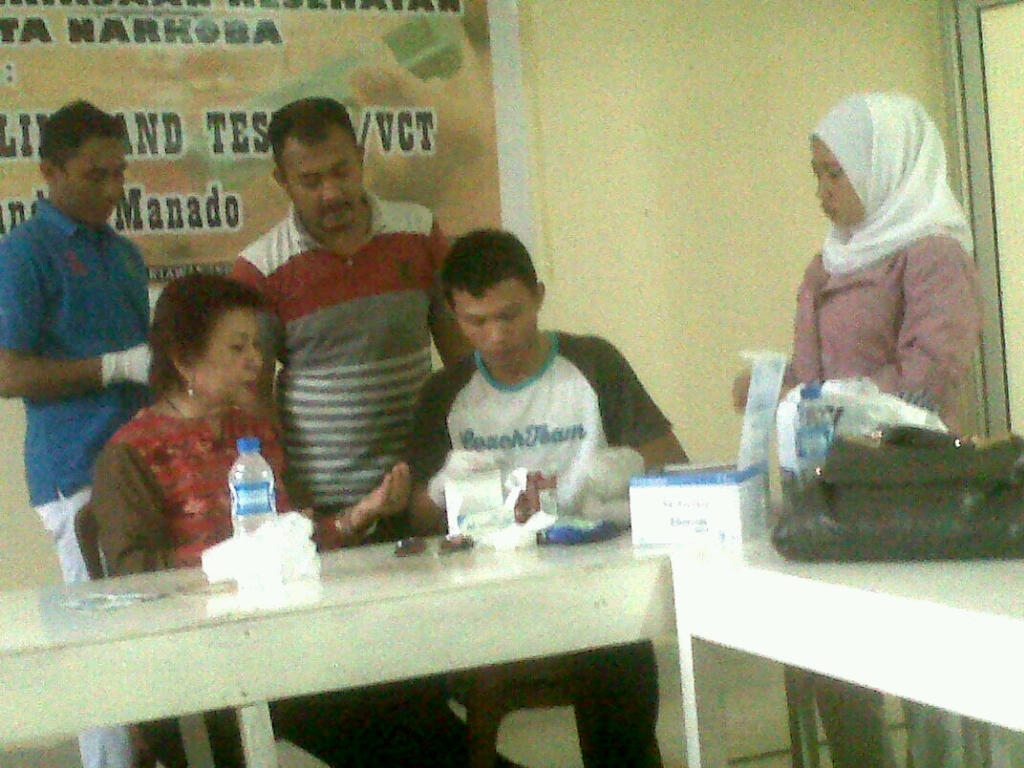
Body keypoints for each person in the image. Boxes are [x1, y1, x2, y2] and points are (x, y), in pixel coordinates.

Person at [89, 273, 504, 768]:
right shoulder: (130, 454)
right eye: (237, 347)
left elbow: (293, 534)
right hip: (208, 659)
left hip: (291, 634)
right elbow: (135, 575)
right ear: (183, 360)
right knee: (372, 706)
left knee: (404, 677)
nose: (256, 360)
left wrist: (361, 514)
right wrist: (239, 557)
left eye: (256, 345)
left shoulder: (253, 432)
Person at [738, 93, 983, 768]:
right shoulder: (829, 262)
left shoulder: (933, 255)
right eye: (816, 173)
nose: (821, 191)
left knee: (930, 670)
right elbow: (820, 374)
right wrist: (776, 386)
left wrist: (825, 403)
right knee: (836, 662)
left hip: (915, 490)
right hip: (833, 492)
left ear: (886, 168)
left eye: (835, 173)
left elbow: (929, 377)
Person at [406, 228, 688, 768]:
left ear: (538, 296)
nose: (496, 336)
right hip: (491, 592)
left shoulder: (593, 363)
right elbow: (417, 516)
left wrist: (624, 468)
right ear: (453, 315)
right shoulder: (445, 393)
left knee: (618, 645)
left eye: (510, 315)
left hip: (593, 580)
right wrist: (443, 488)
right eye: (476, 322)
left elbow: (671, 461)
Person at [230, 96, 467, 539]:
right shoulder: (259, 269)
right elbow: (253, 401)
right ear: (282, 180)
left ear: (360, 158)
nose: (332, 193)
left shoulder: (418, 232)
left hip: (426, 492)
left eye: (341, 171)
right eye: (311, 181)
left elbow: (463, 362)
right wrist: (287, 505)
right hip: (328, 506)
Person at [0, 100, 152, 768]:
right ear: (50, 172)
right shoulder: (23, 253)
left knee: (152, 637)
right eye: (95, 175)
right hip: (74, 472)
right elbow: (7, 373)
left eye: (120, 173)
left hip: (140, 464)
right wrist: (115, 366)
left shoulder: (124, 254)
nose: (113, 189)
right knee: (103, 643)